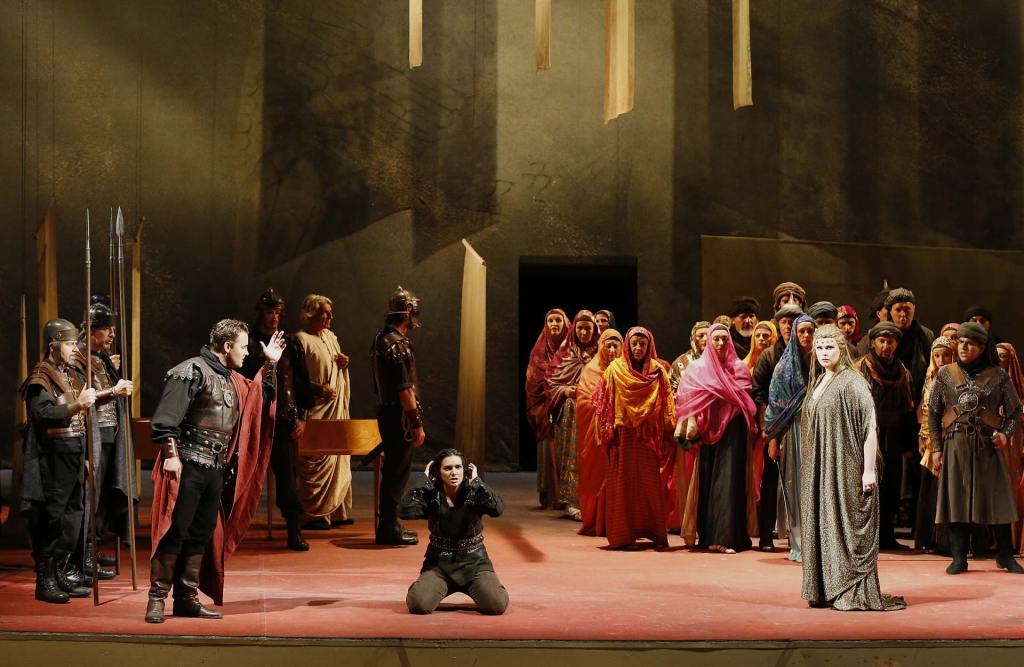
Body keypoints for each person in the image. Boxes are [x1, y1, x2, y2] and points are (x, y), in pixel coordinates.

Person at [146, 319, 282, 623]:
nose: (246, 353)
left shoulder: (233, 379)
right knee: (174, 532)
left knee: (201, 534)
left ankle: (186, 598)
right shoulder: (190, 371)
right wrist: (171, 456)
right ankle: (157, 598)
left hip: (215, 469)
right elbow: (166, 420)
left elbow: (258, 399)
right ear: (227, 346)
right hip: (187, 466)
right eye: (243, 347)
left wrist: (270, 364)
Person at [800, 325, 906, 612]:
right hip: (821, 467)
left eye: (829, 347)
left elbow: (870, 426)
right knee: (824, 522)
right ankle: (825, 587)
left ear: (842, 349)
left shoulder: (853, 381)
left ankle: (850, 588)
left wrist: (868, 470)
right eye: (819, 348)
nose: (823, 353)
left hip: (845, 465)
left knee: (845, 524)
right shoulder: (821, 380)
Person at [930, 322, 1023, 574]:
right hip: (955, 444)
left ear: (982, 347)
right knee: (956, 501)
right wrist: (936, 447)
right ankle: (959, 557)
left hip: (987, 445)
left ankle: (1005, 556)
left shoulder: (998, 376)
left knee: (998, 500)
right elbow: (934, 413)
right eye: (960, 342)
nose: (963, 347)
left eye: (970, 343)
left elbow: (1015, 411)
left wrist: (1005, 434)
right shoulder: (945, 374)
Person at [19, 319, 98, 603]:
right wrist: (78, 404)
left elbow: (82, 418)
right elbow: (43, 414)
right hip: (53, 458)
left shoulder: (69, 373)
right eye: (69, 344)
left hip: (73, 453)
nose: (75, 349)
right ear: (53, 345)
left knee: (71, 517)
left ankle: (58, 571)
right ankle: (45, 579)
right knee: (51, 519)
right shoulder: (41, 377)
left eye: (75, 343)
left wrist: (85, 456)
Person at [676, 324, 758, 553]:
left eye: (724, 339)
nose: (721, 343)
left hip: (733, 430)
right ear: (709, 342)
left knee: (729, 482)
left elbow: (745, 397)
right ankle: (709, 536)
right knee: (707, 482)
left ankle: (728, 538)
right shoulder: (697, 369)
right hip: (707, 429)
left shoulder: (739, 368)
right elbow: (686, 397)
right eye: (716, 339)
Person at [239, 289, 310, 551]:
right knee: (240, 475)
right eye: (270, 312)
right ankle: (229, 528)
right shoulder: (247, 342)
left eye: (278, 313)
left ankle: (294, 530)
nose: (274, 318)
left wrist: (302, 417)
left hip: (283, 419)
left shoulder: (291, 343)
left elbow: (301, 382)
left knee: (288, 479)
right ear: (261, 313)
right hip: (253, 417)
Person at [400, 449, 508, 615]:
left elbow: (497, 509)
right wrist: (423, 479)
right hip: (439, 565)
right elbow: (406, 512)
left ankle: (487, 584)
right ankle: (425, 585)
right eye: (447, 468)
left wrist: (477, 481)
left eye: (458, 467)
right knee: (418, 604)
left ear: (465, 470)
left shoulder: (475, 492)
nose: (454, 472)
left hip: (474, 563)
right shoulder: (432, 494)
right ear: (438, 472)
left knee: (496, 604)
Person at [594, 327, 674, 549]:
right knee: (623, 484)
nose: (638, 348)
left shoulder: (658, 371)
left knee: (649, 484)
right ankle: (623, 536)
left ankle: (653, 531)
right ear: (627, 345)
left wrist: (668, 431)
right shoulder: (615, 369)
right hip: (623, 435)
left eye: (643, 344)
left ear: (649, 346)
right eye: (634, 344)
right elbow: (603, 402)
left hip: (648, 436)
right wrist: (606, 434)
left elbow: (667, 402)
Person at [71, 302, 135, 581]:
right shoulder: (78, 358)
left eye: (112, 329)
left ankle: (94, 548)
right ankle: (83, 554)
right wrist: (113, 391)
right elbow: (82, 396)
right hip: (93, 435)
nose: (112, 334)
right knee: (91, 496)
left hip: (111, 434)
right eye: (106, 329)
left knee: (105, 496)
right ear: (91, 330)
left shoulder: (102, 358)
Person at [292, 294, 354, 530]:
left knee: (337, 455)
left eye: (330, 312)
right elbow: (294, 378)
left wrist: (343, 363)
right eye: (324, 313)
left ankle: (336, 511)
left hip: (335, 411)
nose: (330, 316)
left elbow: (335, 369)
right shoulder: (300, 340)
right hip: (315, 410)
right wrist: (318, 388)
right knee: (314, 458)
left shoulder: (330, 337)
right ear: (310, 315)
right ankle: (313, 514)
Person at [371, 286, 426, 545]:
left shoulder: (380, 339)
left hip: (387, 412)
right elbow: (404, 389)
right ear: (407, 312)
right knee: (397, 472)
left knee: (393, 470)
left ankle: (388, 524)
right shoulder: (398, 344)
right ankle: (388, 527)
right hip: (398, 416)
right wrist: (416, 423)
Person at [855, 322, 916, 551]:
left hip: (893, 437)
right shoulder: (861, 368)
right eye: (882, 341)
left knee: (891, 488)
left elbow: (908, 409)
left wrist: (908, 444)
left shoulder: (902, 372)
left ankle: (887, 536)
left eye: (890, 341)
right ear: (873, 343)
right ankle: (865, 539)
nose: (886, 346)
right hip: (867, 436)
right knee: (866, 487)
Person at [751, 303, 803, 552]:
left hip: (800, 426)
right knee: (770, 481)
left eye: (793, 322)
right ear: (778, 325)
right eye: (784, 321)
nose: (788, 326)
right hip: (774, 425)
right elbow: (758, 392)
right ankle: (765, 536)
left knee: (799, 482)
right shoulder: (769, 356)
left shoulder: (807, 353)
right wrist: (767, 427)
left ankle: (799, 536)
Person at [765, 315, 816, 560]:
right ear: (794, 334)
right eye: (801, 331)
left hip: (818, 430)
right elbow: (775, 408)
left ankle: (818, 544)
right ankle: (799, 544)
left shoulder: (823, 363)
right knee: (795, 486)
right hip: (793, 432)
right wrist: (773, 440)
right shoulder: (783, 368)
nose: (806, 335)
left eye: (810, 331)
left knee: (816, 486)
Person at [544, 311, 598, 518]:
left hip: (593, 412)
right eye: (580, 328)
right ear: (574, 330)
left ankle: (592, 501)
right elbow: (550, 382)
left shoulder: (600, 353)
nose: (583, 333)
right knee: (572, 456)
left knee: (591, 458)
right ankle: (572, 501)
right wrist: (566, 390)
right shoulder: (565, 353)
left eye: (588, 329)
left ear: (594, 330)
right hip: (570, 415)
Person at [576, 328, 622, 537]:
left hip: (620, 433)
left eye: (615, 346)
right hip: (595, 438)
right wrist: (604, 407)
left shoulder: (625, 370)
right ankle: (596, 520)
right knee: (597, 476)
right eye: (608, 345)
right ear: (601, 346)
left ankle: (617, 521)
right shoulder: (591, 371)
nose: (612, 350)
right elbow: (584, 401)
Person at [914, 336, 956, 553]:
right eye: (937, 355)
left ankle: (948, 541)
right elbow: (926, 411)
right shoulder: (930, 378)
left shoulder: (958, 378)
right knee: (931, 491)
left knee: (948, 491)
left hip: (951, 438)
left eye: (946, 355)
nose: (941, 360)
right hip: (932, 442)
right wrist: (923, 436)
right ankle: (929, 539)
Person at [525, 309, 569, 509]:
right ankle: (549, 494)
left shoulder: (572, 350)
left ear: (565, 323)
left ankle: (568, 496)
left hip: (568, 407)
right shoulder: (539, 352)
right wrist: (550, 395)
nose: (554, 324)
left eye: (558, 320)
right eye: (551, 320)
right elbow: (532, 381)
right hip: (544, 408)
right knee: (548, 449)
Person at [996, 342, 1024, 552]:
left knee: (1012, 488)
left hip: (1014, 442)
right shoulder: (988, 382)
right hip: (993, 441)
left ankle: (1012, 541)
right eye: (996, 356)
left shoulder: (1019, 388)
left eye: (1003, 356)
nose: (999, 360)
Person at [669, 321, 710, 391]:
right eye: (701, 336)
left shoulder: (718, 360)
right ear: (693, 338)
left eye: (708, 335)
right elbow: (671, 389)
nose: (705, 339)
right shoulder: (680, 362)